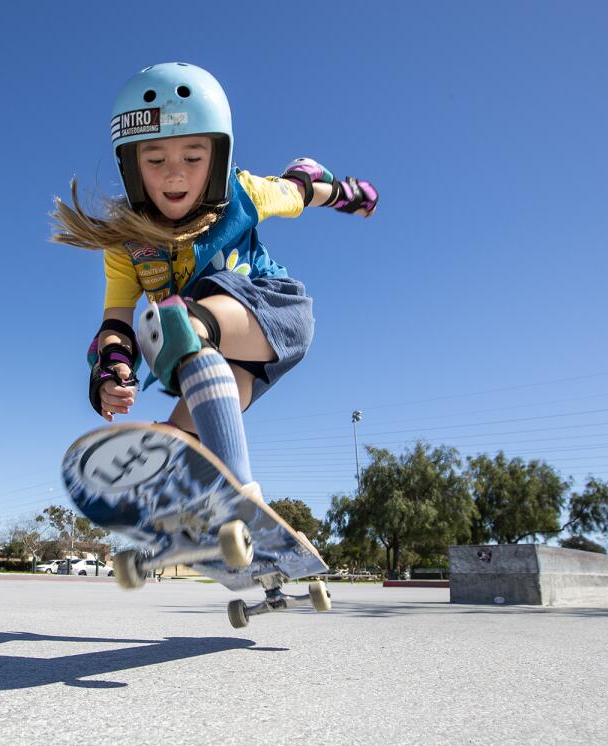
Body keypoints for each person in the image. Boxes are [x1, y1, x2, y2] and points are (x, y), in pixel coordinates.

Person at [51, 62, 376, 498]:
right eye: (155, 159)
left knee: (180, 326)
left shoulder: (245, 194)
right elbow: (116, 325)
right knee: (181, 433)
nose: (174, 174)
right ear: (131, 166)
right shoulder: (127, 246)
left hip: (274, 313)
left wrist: (345, 193)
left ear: (217, 158)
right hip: (218, 355)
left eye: (192, 156)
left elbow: (300, 190)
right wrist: (112, 367)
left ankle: (239, 487)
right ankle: (181, 520)